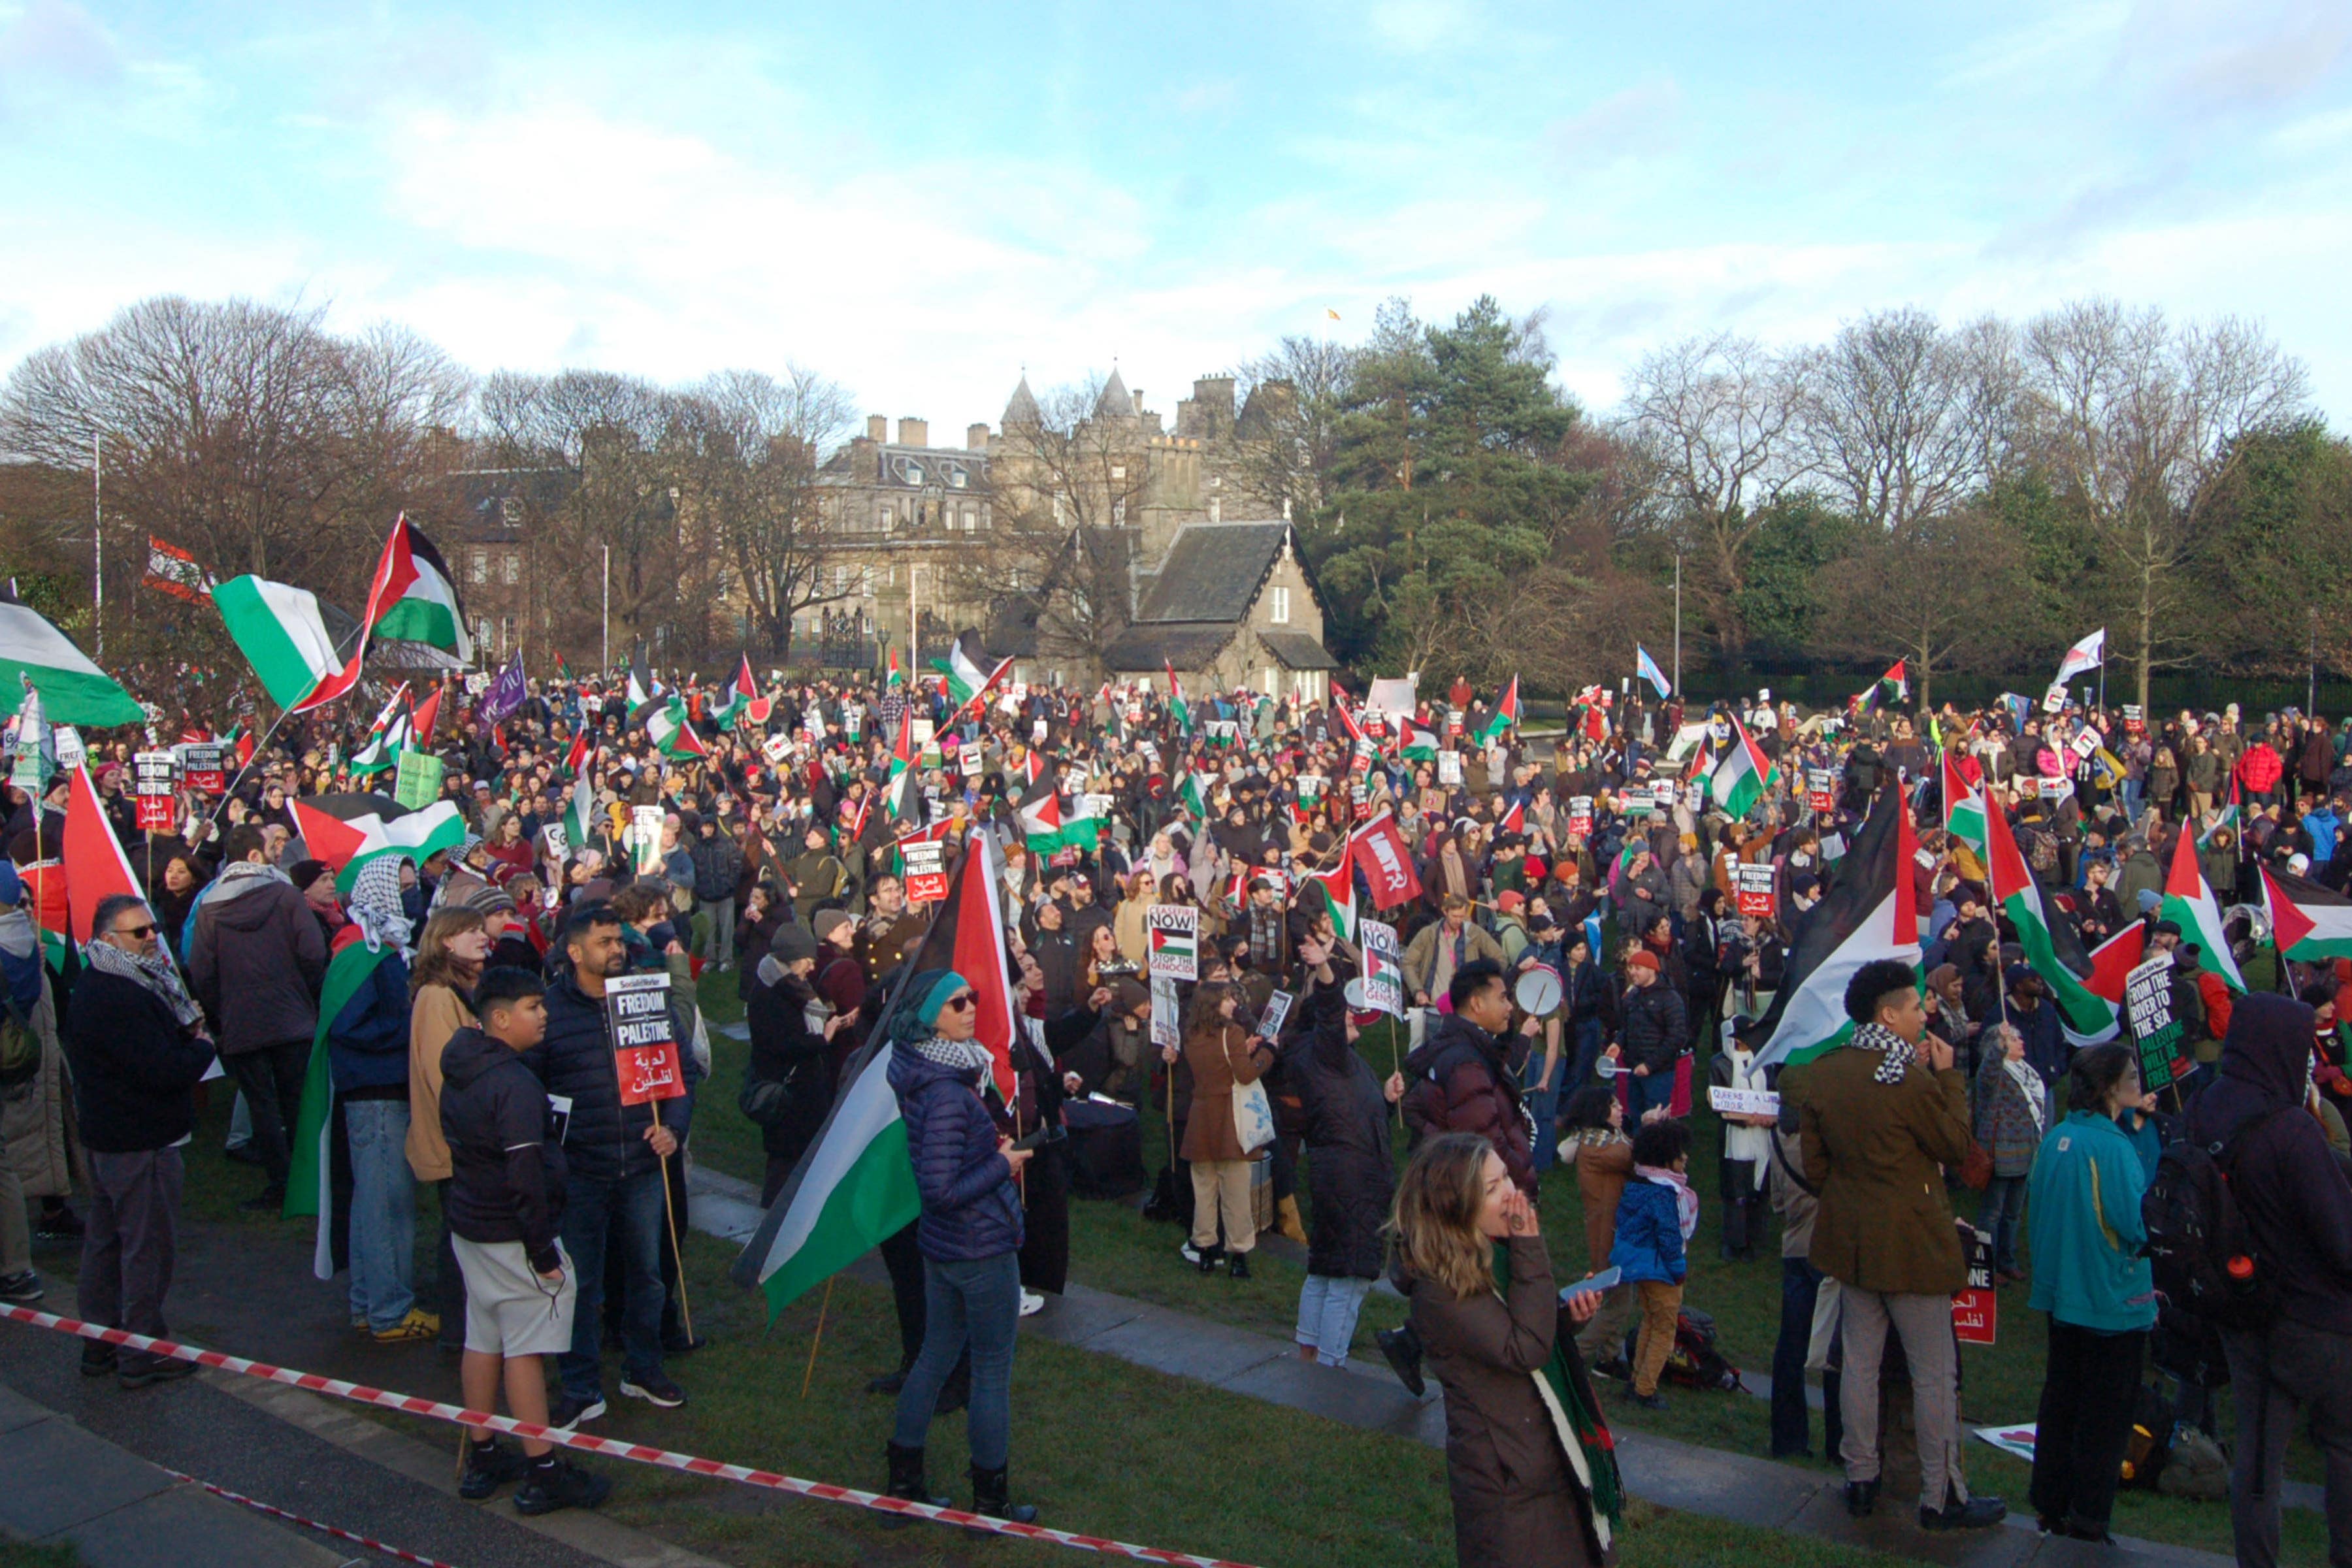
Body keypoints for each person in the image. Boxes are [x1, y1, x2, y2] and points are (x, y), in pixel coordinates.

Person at [1795, 956, 2002, 1529]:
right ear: (1889, 1015)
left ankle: (1860, 1476)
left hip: (1853, 1242)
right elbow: (1957, 1145)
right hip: (1912, 1243)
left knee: (1859, 1365)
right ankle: (1941, 1495)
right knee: (1933, 1374)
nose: (1924, 1013)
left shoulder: (1827, 1071)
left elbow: (1815, 1166)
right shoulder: (1908, 1079)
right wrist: (1951, 1074)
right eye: (1916, 1006)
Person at [1392, 1132, 1616, 1567]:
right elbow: (1523, 1350)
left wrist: (1567, 1316)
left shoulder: (1489, 1254)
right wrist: (1529, 1246)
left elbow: (1521, 1329)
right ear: (1457, 1206)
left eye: (1507, 1178)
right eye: (1493, 1189)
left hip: (1540, 1462)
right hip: (1507, 1481)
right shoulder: (1440, 1289)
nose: (1512, 1193)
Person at [2183, 993, 2352, 1568]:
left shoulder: (2204, 1106)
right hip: (2315, 1319)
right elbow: (2342, 1242)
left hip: (2242, 1307)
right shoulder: (2291, 1129)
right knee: (2344, 1443)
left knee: (2258, 1460)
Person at [440, 966, 613, 1515]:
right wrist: (543, 1254)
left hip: (471, 1225)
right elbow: (525, 1177)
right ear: (499, 1017)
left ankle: (485, 1454)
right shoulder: (513, 1084)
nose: (544, 1015)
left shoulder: (462, 1066)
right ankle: (543, 1469)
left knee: (483, 1337)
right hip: (512, 1235)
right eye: (533, 1007)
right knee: (524, 1350)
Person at [883, 970, 1039, 1527]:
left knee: (935, 1355)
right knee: (991, 1371)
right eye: (956, 1003)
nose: (971, 1007)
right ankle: (990, 1501)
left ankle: (905, 1478)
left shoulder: (927, 1071)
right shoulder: (948, 1091)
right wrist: (1002, 1162)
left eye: (971, 997)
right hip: (978, 1246)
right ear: (931, 1018)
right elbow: (941, 1188)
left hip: (945, 1248)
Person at [536, 902, 693, 1427]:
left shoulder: (647, 999)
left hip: (644, 1165)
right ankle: (580, 1384)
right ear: (575, 952)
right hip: (580, 1170)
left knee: (647, 1276)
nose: (617, 949)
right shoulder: (549, 1012)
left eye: (619, 940)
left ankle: (643, 1367)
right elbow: (532, 1089)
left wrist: (673, 1128)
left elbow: (682, 1071)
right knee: (579, 1282)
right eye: (605, 942)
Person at [65, 893, 216, 1386]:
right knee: (145, 1249)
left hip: (111, 1136)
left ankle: (102, 1345)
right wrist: (200, 1049)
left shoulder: (105, 983)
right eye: (139, 932)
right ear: (109, 939)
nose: (152, 938)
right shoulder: (120, 994)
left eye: (153, 928)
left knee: (106, 1245)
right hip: (140, 1139)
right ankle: (140, 1353)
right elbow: (159, 1070)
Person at [2024, 1043, 2155, 1544]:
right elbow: (2134, 1221)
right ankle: (2089, 1516)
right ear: (2107, 1088)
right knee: (2105, 1418)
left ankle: (2051, 1501)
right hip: (2111, 1300)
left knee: (2061, 1401)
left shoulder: (2059, 1136)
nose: (2139, 1080)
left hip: (2062, 1295)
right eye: (2130, 1074)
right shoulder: (2113, 1147)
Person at [187, 825, 325, 1211]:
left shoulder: (210, 904)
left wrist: (223, 1006)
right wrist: (303, 991)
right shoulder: (285, 895)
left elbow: (201, 968)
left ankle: (281, 1183)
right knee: (296, 1099)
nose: (277, 852)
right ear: (253, 855)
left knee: (261, 1103)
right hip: (291, 1014)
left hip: (241, 1018)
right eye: (271, 846)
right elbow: (314, 953)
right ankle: (307, 1182)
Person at [333, 858, 437, 1341]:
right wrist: (411, 1030)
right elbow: (352, 1025)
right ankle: (390, 1310)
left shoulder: (383, 945)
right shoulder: (363, 951)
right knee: (388, 1203)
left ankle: (367, 1301)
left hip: (380, 1086)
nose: (413, 896)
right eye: (405, 888)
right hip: (376, 1091)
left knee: (372, 1203)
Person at [1290, 947, 1402, 1367]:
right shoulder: (1325, 1053)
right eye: (1344, 1016)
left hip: (1344, 1172)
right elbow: (1332, 1012)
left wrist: (1387, 1102)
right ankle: (1330, 1363)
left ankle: (1309, 1350)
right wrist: (1324, 968)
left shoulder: (1339, 1063)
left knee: (1325, 1267)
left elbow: (1355, 1115)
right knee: (1350, 1275)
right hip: (1350, 1176)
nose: (1352, 1015)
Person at [408, 907, 490, 1350]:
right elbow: (446, 1076)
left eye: (481, 928)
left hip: (464, 1139)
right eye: (470, 930)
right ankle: (459, 1337)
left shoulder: (461, 990)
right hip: (455, 1143)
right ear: (445, 942)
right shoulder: (438, 997)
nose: (482, 936)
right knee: (458, 1241)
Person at [1401, 959, 1542, 1194]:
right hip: (1482, 1197)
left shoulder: (1456, 1049)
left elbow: (1415, 1109)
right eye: (1502, 998)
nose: (1509, 1007)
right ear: (1477, 1004)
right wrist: (1518, 1176)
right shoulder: (1467, 1066)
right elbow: (1485, 1146)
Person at [1180, 979, 1276, 1277]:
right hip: (1229, 1119)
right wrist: (1268, 1052)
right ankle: (1239, 1254)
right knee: (1236, 1191)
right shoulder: (1232, 1033)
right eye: (1227, 999)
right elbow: (1246, 1075)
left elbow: (1216, 1066)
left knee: (1204, 1188)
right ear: (1214, 1004)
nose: (1234, 1003)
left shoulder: (1192, 1035)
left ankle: (1206, 1249)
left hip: (1201, 1117)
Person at [1610, 1117, 1694, 1411]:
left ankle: (1635, 1381)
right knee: (1664, 1331)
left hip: (1639, 1269)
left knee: (1649, 1322)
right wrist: (1679, 1270)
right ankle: (1646, 1390)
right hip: (1661, 1271)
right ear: (1665, 1158)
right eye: (1679, 1153)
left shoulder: (1636, 1185)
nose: (1685, 1157)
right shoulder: (1665, 1192)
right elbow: (1669, 1237)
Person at [1970, 1022, 2041, 1284]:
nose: (2021, 1043)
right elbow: (1988, 1071)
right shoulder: (1994, 1075)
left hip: (2025, 1153)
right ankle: (1987, 1263)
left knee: (2013, 1214)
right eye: (2014, 1040)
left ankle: (2007, 1260)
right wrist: (2000, 1043)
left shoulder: (2027, 1073)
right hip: (2000, 1155)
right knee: (1993, 1213)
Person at [1616, 948, 1686, 1122]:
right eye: (1631, 968)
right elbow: (1626, 1027)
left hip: (1658, 1073)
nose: (1632, 973)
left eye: (1637, 968)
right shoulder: (1633, 995)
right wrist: (1618, 1043)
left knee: (1656, 1123)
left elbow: (1677, 1037)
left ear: (1652, 970)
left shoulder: (1670, 998)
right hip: (1634, 1069)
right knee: (1636, 1118)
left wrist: (1650, 1065)